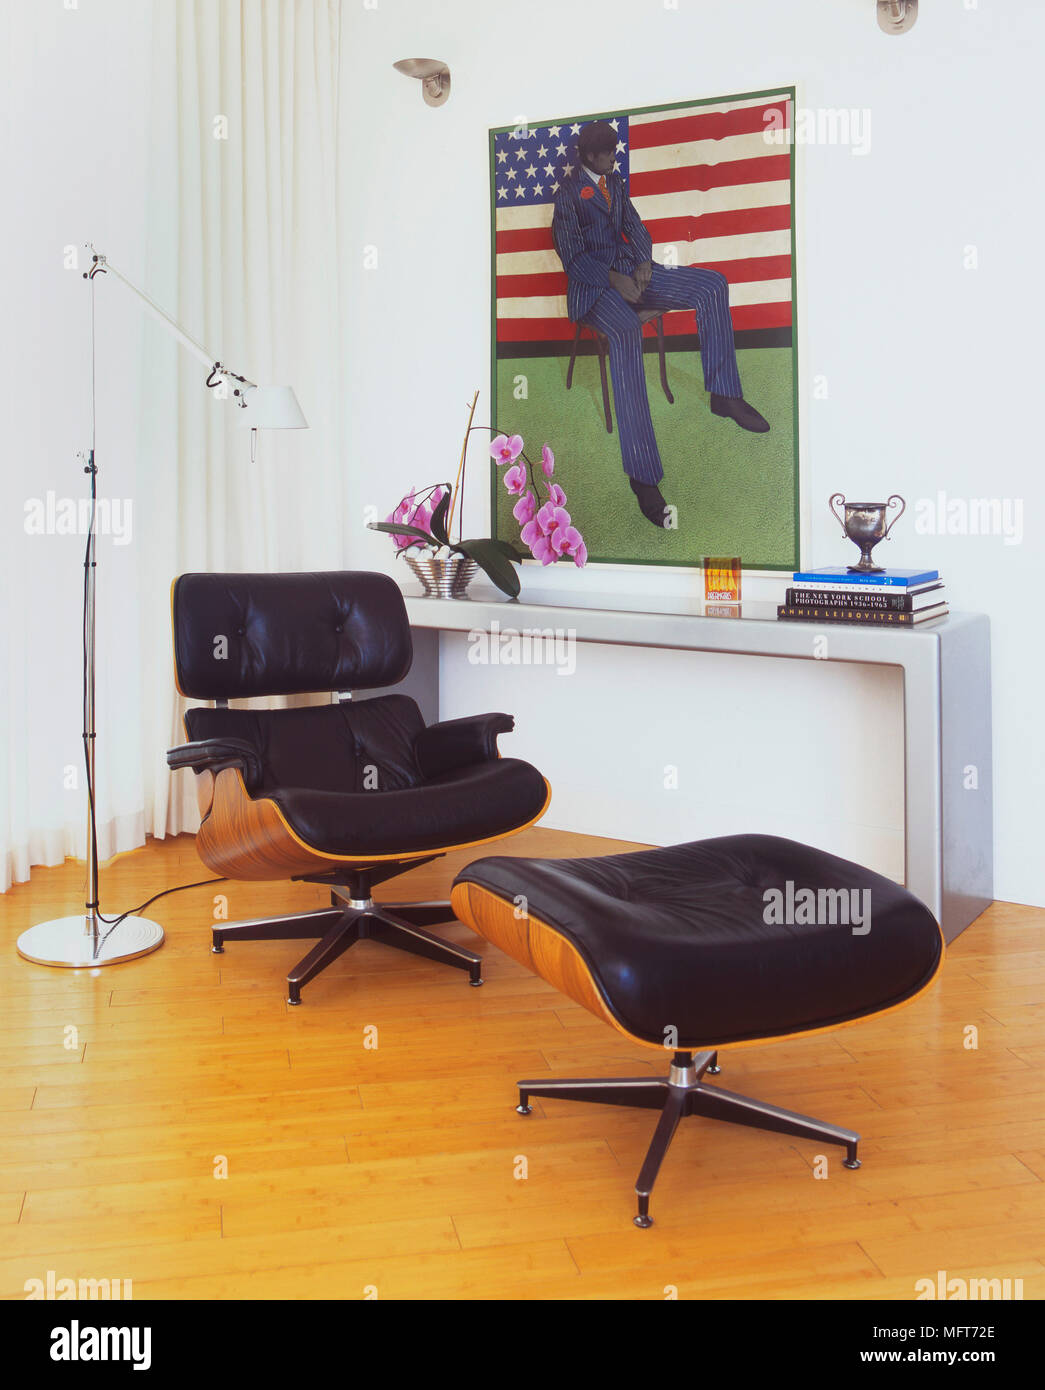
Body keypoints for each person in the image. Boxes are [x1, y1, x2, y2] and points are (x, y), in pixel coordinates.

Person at [552, 120, 770, 527]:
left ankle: (724, 395)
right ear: (588, 156)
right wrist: (614, 278)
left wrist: (641, 264)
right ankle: (643, 476)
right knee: (628, 332)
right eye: (608, 153)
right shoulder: (567, 197)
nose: (614, 158)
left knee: (712, 285)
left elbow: (636, 229)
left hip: (632, 277)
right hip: (594, 291)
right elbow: (573, 259)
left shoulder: (613, 184)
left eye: (614, 152)